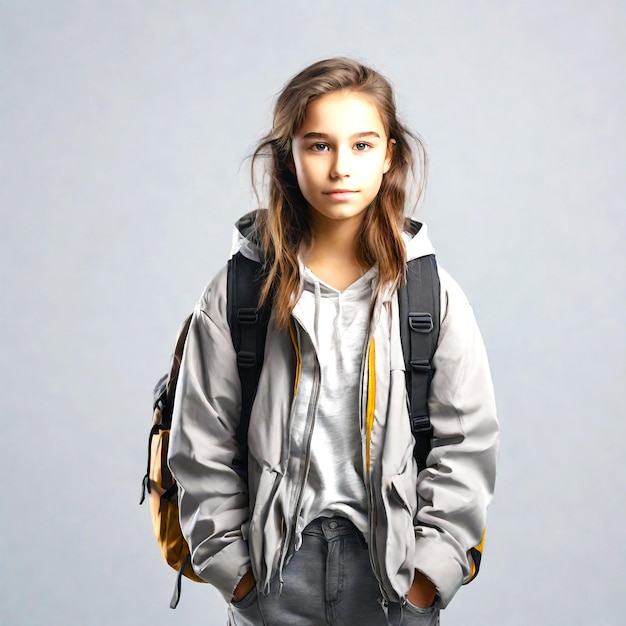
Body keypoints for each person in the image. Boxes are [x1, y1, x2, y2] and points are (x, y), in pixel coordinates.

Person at [168, 57, 499, 626]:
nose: (341, 167)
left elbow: (466, 444)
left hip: (394, 577)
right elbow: (200, 441)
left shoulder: (429, 294)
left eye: (363, 146)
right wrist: (239, 576)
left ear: (390, 153)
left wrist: (428, 576)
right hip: (272, 574)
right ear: (287, 155)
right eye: (319, 145)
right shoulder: (240, 290)